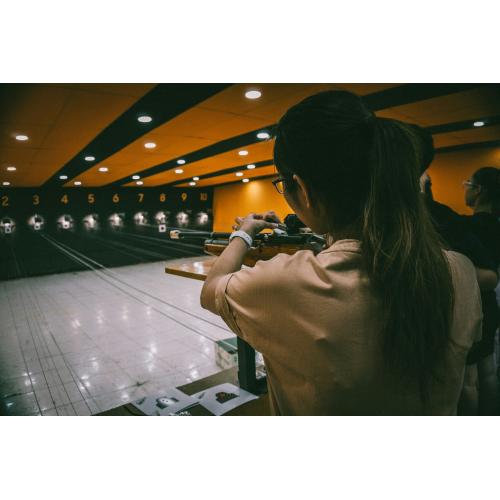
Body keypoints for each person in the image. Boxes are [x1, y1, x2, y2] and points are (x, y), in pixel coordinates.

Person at [200, 90, 482, 415]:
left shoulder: (287, 283)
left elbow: (211, 290)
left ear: (302, 189)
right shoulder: (461, 271)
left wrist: (244, 233)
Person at [462, 167, 500, 414]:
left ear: (479, 191)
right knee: (488, 370)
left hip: (474, 304)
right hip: (491, 304)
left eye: (468, 184)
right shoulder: (496, 225)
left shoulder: (469, 227)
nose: (465, 189)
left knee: (468, 379)